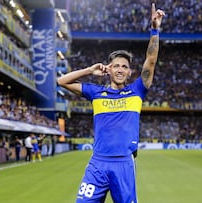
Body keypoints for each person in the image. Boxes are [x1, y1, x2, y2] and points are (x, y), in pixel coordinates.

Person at [57, 3, 164, 202]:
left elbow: (150, 60)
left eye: (125, 66)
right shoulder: (96, 93)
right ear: (109, 69)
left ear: (130, 71)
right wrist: (90, 70)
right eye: (116, 66)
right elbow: (61, 81)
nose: (121, 69)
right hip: (97, 163)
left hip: (124, 164)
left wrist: (155, 29)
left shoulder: (136, 90)